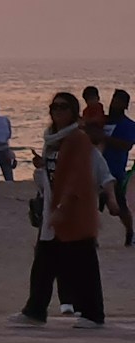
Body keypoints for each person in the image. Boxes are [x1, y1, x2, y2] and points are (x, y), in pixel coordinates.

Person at [13, 91, 118, 328]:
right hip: (54, 210)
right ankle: (35, 310)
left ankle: (93, 314)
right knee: (44, 262)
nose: (57, 111)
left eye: (63, 107)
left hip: (74, 211)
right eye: (53, 107)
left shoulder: (78, 139)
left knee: (83, 262)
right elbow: (55, 175)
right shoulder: (52, 139)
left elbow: (78, 176)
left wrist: (64, 206)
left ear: (73, 111)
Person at [101, 90, 134, 248]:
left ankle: (129, 231)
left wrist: (105, 139)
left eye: (119, 101)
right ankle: (91, 237)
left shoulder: (128, 125)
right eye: (114, 99)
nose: (115, 103)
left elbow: (126, 145)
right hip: (97, 170)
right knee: (94, 205)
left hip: (115, 171)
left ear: (125, 105)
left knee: (120, 207)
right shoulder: (102, 121)